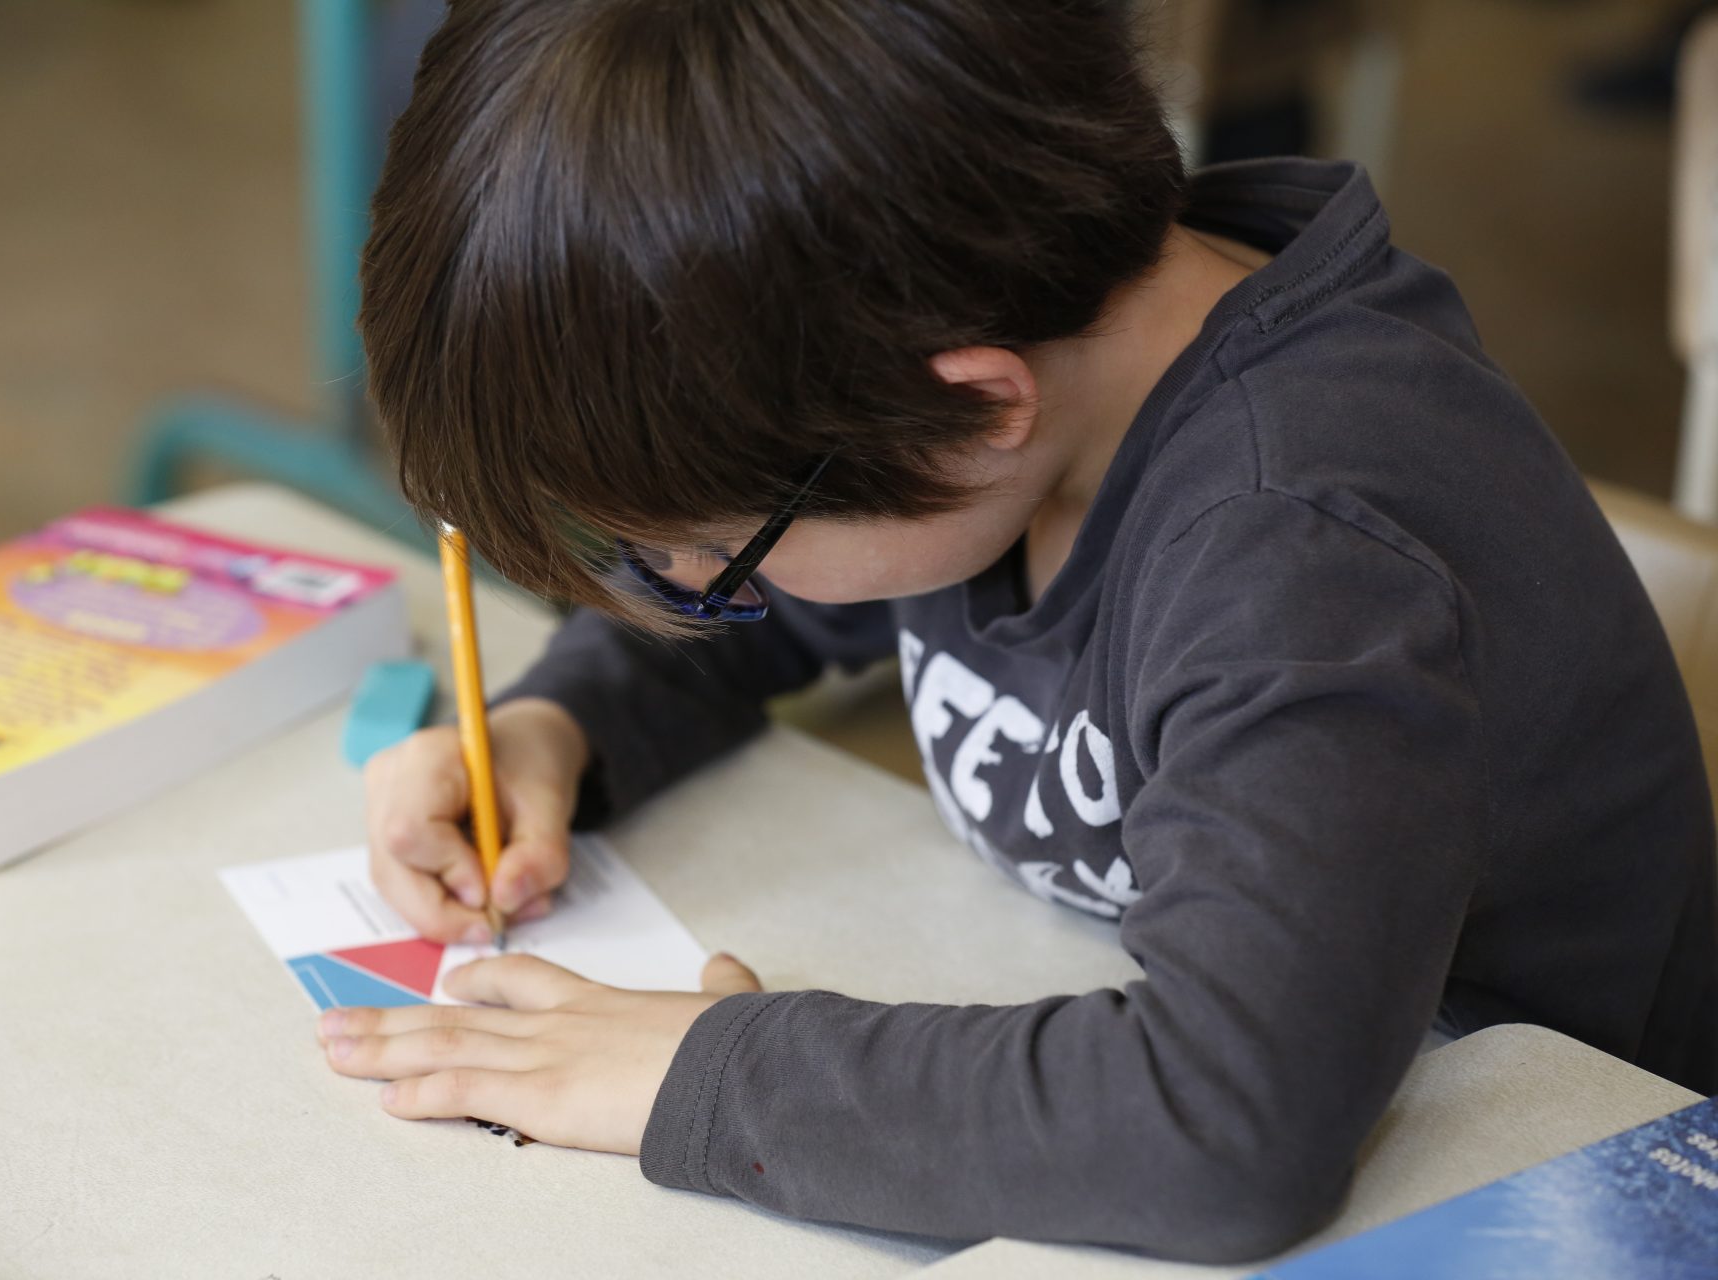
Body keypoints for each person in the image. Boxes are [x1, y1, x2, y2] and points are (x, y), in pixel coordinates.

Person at [315, 0, 1718, 1261]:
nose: (707, 593)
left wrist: (704, 1075)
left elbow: (1221, 1126)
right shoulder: (990, 363)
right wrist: (564, 724)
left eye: (704, 559)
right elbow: (807, 596)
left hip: (1529, 1173)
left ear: (979, 409)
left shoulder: (1300, 554)